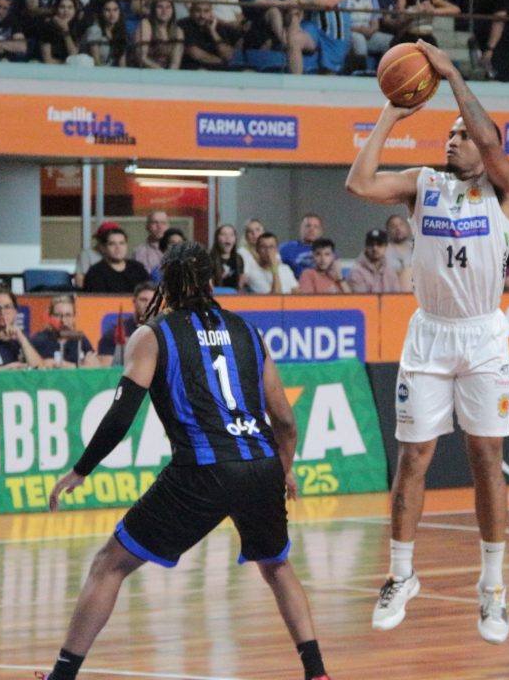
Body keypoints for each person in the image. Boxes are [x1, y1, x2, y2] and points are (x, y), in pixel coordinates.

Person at [43, 243, 331, 680]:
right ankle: (317, 671)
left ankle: (62, 676)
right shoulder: (248, 331)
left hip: (204, 468)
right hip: (261, 462)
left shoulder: (152, 335)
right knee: (277, 566)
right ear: (212, 281)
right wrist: (283, 469)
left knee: (109, 565)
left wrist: (82, 469)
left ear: (167, 285)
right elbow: (286, 420)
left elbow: (121, 415)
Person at [345, 39, 509, 644]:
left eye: (462, 135)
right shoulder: (424, 184)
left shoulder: (503, 188)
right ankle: (400, 575)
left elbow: (489, 140)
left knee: (485, 458)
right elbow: (358, 182)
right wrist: (391, 112)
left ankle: (492, 588)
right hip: (430, 335)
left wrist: (452, 75)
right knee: (413, 457)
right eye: (449, 133)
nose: (453, 139)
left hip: (483, 335)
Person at [30, 294, 98, 368]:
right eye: (58, 315)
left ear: (74, 318)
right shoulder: (39, 341)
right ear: (50, 318)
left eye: (68, 315)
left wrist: (60, 364)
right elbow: (28, 367)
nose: (63, 321)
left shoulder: (80, 339)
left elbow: (96, 365)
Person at [97, 281, 156, 365]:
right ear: (134, 302)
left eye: (152, 301)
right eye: (143, 300)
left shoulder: (164, 332)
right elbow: (106, 368)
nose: (148, 305)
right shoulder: (115, 333)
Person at [84, 227, 152, 293]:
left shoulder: (138, 269)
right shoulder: (95, 273)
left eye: (121, 243)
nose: (118, 247)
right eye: (112, 244)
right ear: (104, 248)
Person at [349, 228, 402, 293]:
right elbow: (361, 298)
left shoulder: (390, 271)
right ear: (366, 247)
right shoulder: (357, 271)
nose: (375, 248)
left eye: (379, 244)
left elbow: (397, 296)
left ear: (386, 247)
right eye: (371, 244)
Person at [280, 214, 324, 278]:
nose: (311, 229)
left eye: (316, 227)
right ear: (301, 229)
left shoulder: (327, 251)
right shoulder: (285, 249)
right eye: (308, 226)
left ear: (320, 231)